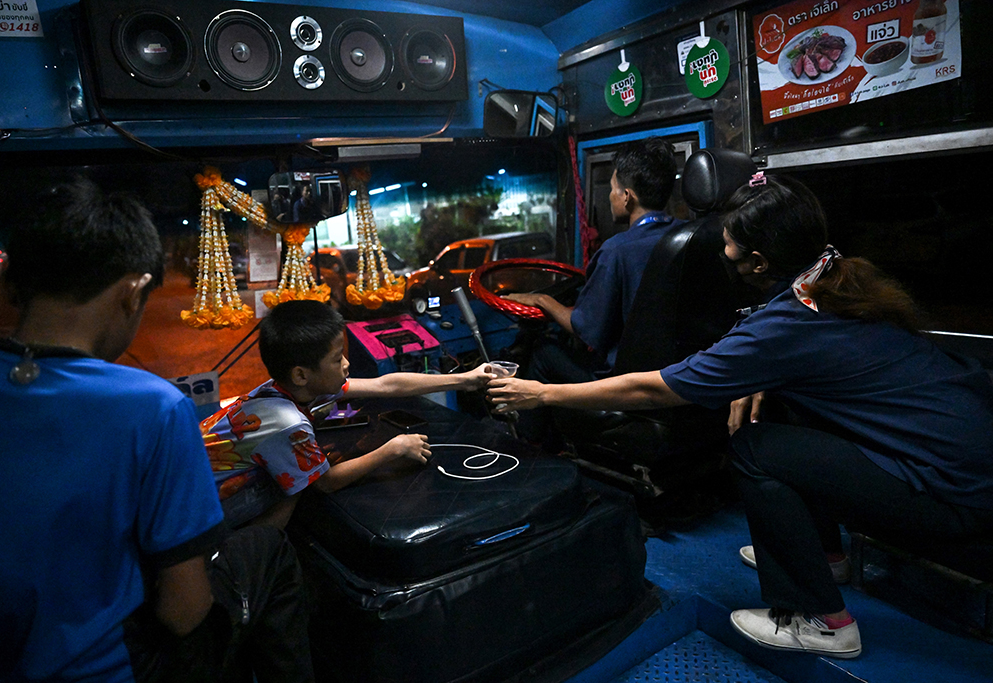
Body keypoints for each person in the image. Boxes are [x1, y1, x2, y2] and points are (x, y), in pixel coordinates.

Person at [489, 175, 993, 659]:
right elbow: (818, 362)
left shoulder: (784, 327)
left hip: (948, 490)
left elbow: (653, 387)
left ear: (758, 261)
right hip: (967, 461)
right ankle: (825, 558)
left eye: (728, 246)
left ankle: (820, 620)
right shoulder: (834, 277)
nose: (722, 253)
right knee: (783, 410)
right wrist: (761, 377)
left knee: (754, 449)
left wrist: (544, 393)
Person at [0, 179, 312, 682]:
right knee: (267, 552)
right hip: (111, 668)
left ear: (13, 283)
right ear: (132, 292)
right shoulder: (151, 408)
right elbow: (183, 609)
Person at [202, 299, 494, 530]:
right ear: (301, 374)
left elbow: (386, 384)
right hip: (202, 508)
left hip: (201, 480)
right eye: (336, 358)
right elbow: (327, 483)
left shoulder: (285, 388)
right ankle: (255, 551)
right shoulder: (288, 424)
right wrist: (393, 448)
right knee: (294, 493)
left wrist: (466, 379)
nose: (346, 363)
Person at [505, 137, 684, 379]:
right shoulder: (688, 236)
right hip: (677, 370)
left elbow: (583, 329)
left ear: (627, 197)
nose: (611, 196)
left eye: (612, 189)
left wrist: (542, 300)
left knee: (543, 352)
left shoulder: (616, 251)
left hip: (624, 380)